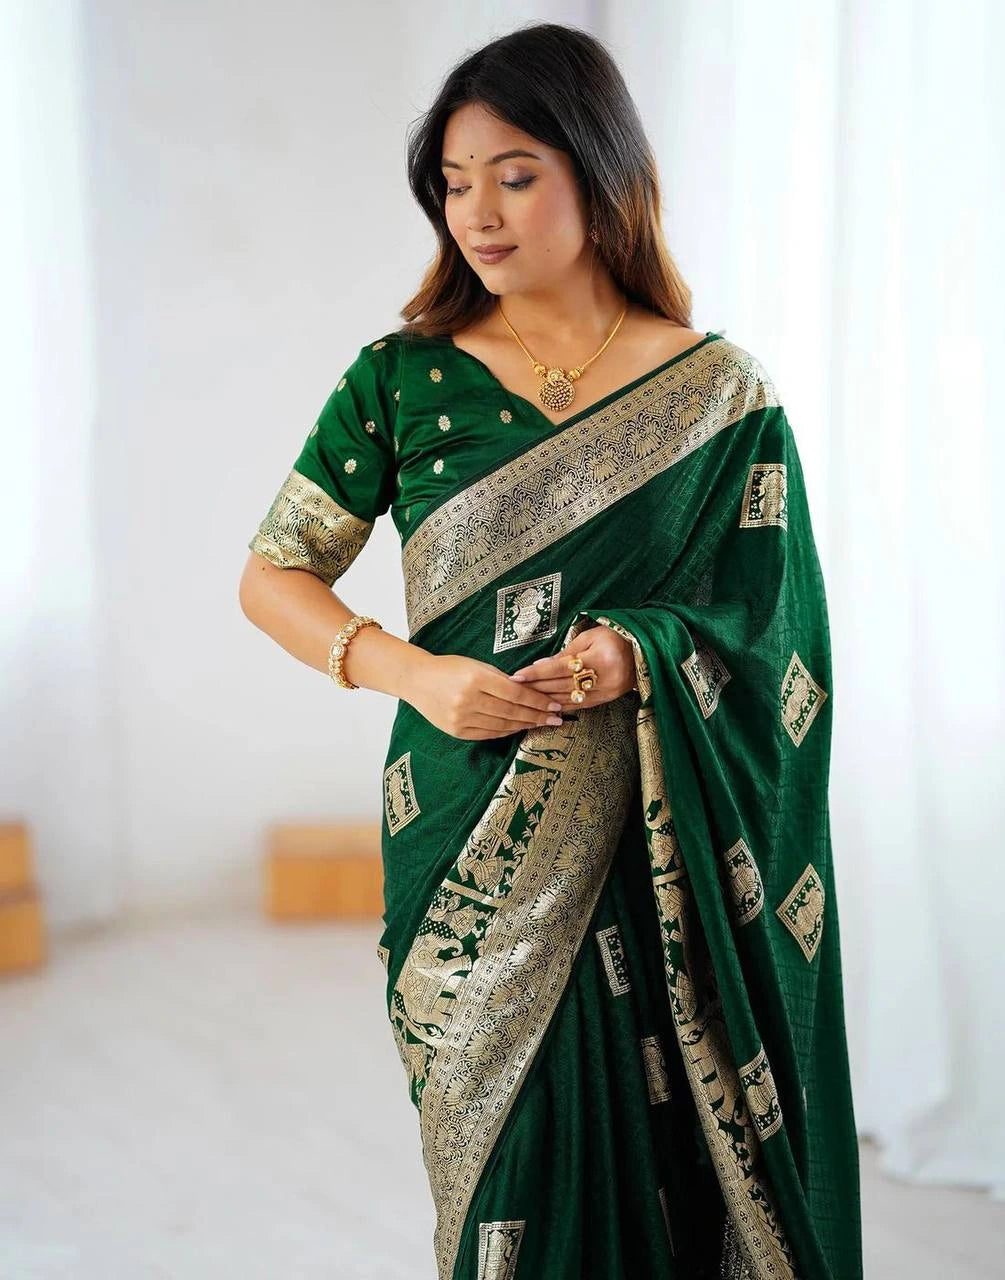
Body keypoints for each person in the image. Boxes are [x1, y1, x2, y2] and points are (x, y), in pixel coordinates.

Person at [239, 20, 863, 1280]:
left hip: (659, 836)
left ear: (599, 169)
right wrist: (410, 669)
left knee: (680, 1173)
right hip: (467, 825)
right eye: (455, 184)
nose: (479, 212)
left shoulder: (720, 394)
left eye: (515, 173)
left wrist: (637, 659)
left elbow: (777, 631)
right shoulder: (402, 380)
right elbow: (273, 574)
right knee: (505, 1173)